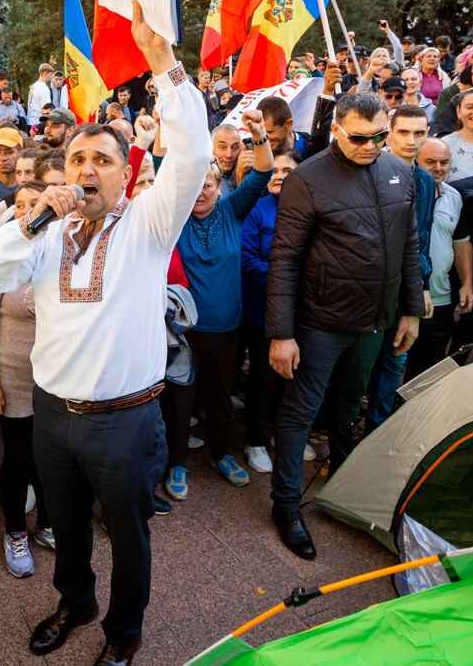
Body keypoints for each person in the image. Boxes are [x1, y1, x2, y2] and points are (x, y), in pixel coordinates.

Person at [0, 3, 210, 664]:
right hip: (52, 415)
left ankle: (124, 632)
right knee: (66, 525)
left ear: (124, 172)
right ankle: (74, 601)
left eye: (102, 159)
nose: (86, 168)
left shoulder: (148, 225)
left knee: (128, 535)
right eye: (76, 158)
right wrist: (33, 220)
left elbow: (193, 153)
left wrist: (161, 61)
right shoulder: (45, 236)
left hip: (126, 421)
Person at [266, 93, 422, 560]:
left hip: (375, 320)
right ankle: (286, 504)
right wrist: (281, 334)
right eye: (359, 138)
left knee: (350, 404)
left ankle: (344, 483)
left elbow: (409, 244)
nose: (370, 146)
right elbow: (285, 259)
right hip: (320, 322)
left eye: (379, 136)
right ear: (336, 129)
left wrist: (410, 309)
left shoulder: (399, 171)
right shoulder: (307, 179)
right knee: (301, 411)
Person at [167, 111, 273, 498]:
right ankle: (177, 462)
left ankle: (221, 454)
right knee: (181, 400)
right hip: (184, 331)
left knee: (220, 397)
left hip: (227, 328)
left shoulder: (232, 209)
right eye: (194, 185)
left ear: (218, 186)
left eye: (208, 184)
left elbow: (263, 172)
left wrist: (258, 134)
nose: (201, 192)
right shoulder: (174, 219)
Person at [0, 180, 54, 577]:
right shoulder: (2, 254)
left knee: (53, 460)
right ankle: (15, 532)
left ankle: (48, 523)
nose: (28, 211)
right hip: (14, 379)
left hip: (56, 381)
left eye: (36, 203)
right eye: (20, 204)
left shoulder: (61, 250)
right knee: (19, 459)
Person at [238, 151, 310, 475]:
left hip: (302, 310)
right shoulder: (258, 209)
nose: (279, 175)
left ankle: (285, 436)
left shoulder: (311, 208)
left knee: (295, 378)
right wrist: (285, 276)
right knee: (263, 378)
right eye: (274, 170)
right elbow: (246, 257)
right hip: (262, 309)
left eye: (287, 170)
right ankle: (255, 439)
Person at [365, 105, 435, 430]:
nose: (411, 140)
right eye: (404, 132)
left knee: (396, 357)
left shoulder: (425, 180)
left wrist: (422, 286)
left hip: (407, 289)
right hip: (371, 288)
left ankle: (376, 430)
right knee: (361, 364)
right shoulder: (369, 171)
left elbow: (423, 236)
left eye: (419, 133)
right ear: (389, 134)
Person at [404, 138, 473, 379]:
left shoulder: (454, 196)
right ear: (416, 161)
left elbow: (461, 243)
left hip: (440, 299)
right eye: (431, 162)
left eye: (444, 162)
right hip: (405, 297)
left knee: (427, 371)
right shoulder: (402, 191)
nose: (438, 168)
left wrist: (467, 283)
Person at [210, 124, 243, 197]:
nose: (229, 155)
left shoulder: (247, 173)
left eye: (235, 147)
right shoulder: (204, 180)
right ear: (211, 148)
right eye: (223, 147)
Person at [28, 63, 55, 128]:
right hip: (39, 123)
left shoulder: (34, 86)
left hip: (30, 122)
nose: (51, 77)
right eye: (51, 74)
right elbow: (47, 108)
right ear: (44, 73)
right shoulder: (44, 88)